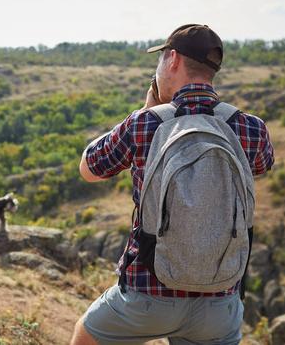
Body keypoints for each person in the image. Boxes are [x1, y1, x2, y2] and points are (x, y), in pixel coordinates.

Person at [71, 24, 274, 345]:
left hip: (147, 295)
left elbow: (89, 168)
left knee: (85, 336)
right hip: (220, 300)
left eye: (160, 59)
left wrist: (146, 110)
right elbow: (262, 164)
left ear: (173, 59)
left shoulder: (146, 123)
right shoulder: (251, 128)